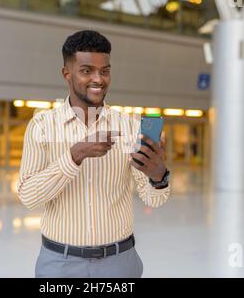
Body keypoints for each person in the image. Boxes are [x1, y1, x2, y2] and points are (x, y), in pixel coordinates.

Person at [17, 30, 171, 278]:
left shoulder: (130, 127)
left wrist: (158, 176)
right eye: (86, 70)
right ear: (67, 73)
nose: (98, 79)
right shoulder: (42, 126)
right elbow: (28, 196)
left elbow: (154, 200)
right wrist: (74, 156)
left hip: (120, 264)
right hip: (60, 265)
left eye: (105, 71)